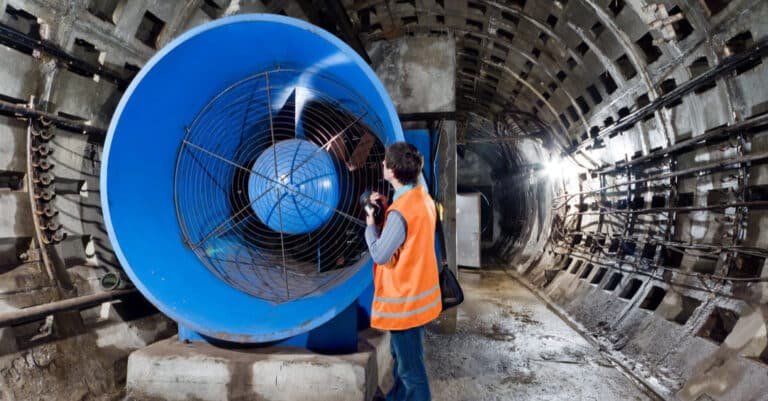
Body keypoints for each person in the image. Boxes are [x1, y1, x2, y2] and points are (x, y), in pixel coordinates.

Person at [364, 142, 441, 401]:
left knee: (411, 371)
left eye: (385, 163)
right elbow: (409, 235)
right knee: (402, 360)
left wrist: (371, 224)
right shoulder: (422, 197)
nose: (382, 165)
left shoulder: (401, 212)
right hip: (420, 296)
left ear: (392, 172)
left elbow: (380, 254)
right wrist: (388, 208)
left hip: (405, 302)